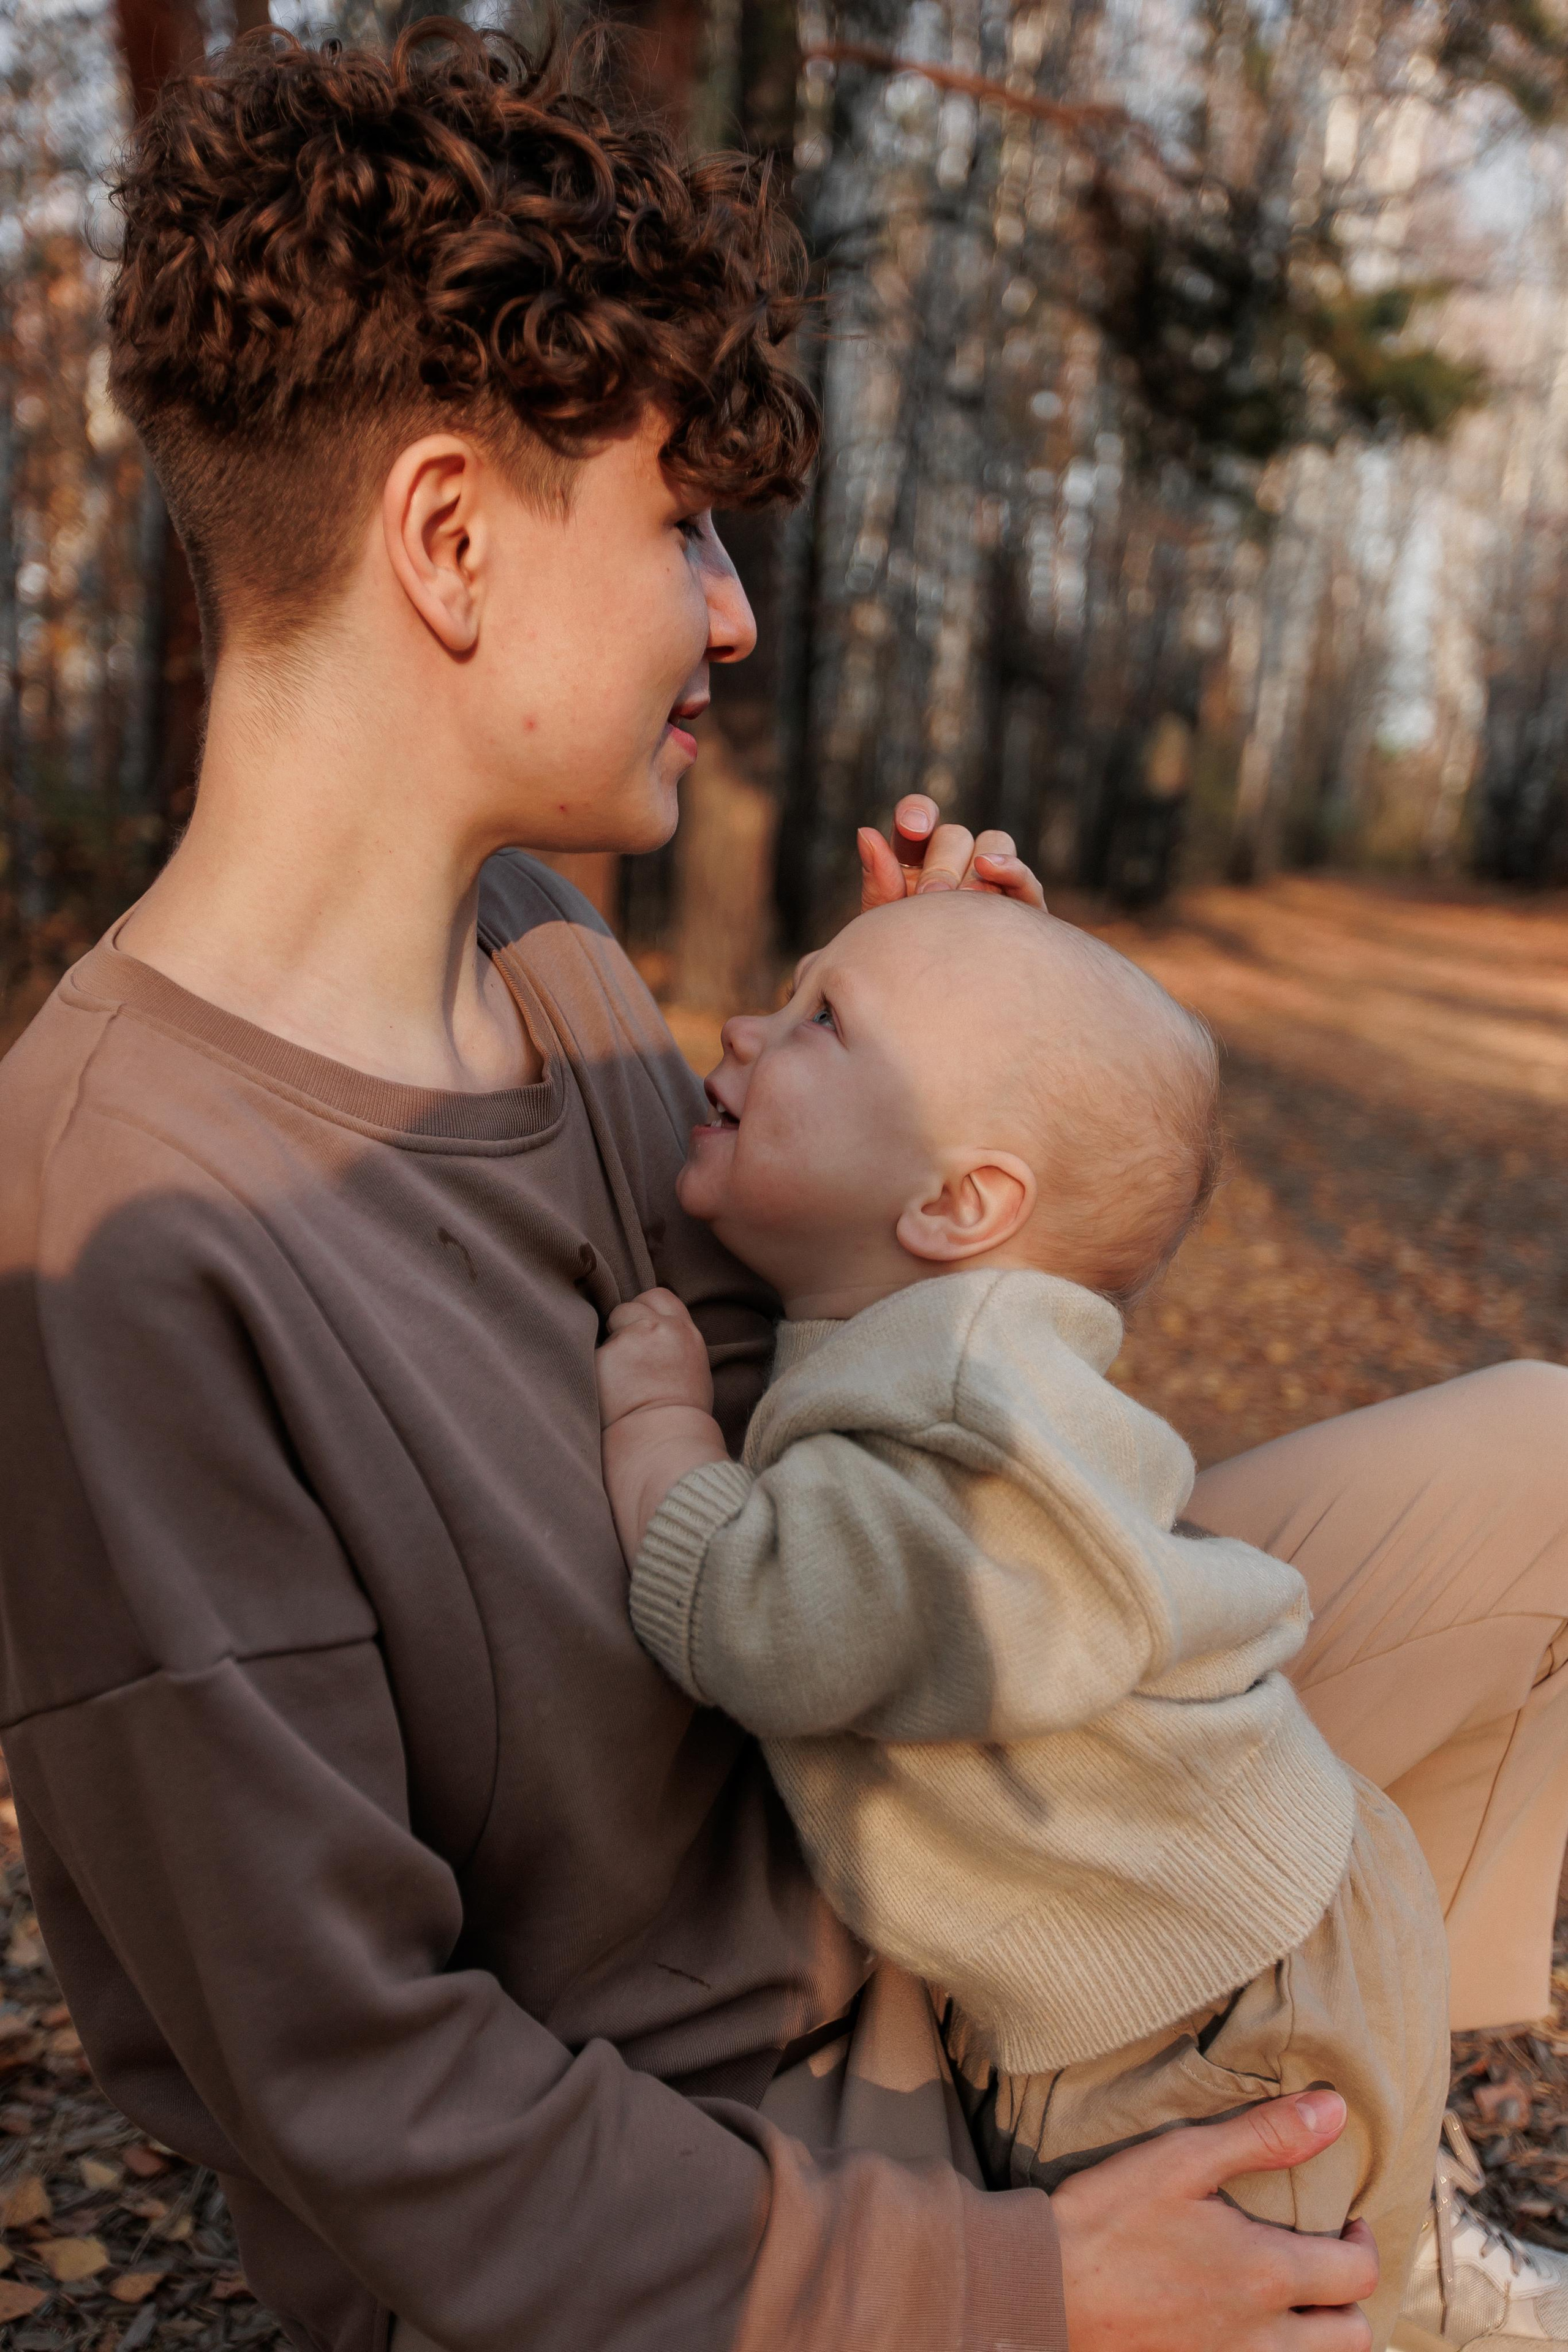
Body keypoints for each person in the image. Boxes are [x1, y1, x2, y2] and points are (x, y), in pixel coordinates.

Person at [0, 20, 1557, 2352]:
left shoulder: (542, 963)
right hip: (755, 2204)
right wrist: (1013, 2280)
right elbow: (363, 2090)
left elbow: (839, 1470)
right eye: (678, 527)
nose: (732, 614)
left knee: (1547, 1473)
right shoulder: (113, 1231)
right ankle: (1315, 2208)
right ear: (445, 539)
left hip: (927, 1882)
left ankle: (1341, 2117)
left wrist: (972, 1161)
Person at [594, 892, 1450, 2349]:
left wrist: (661, 1445)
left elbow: (778, 1626)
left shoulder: (960, 1393)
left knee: (1230, 2303)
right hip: (1241, 1928)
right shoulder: (933, 1330)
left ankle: (1397, 2280)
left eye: (819, 1021)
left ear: (956, 1206)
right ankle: (1411, 2256)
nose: (744, 1026)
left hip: (1202, 2016)